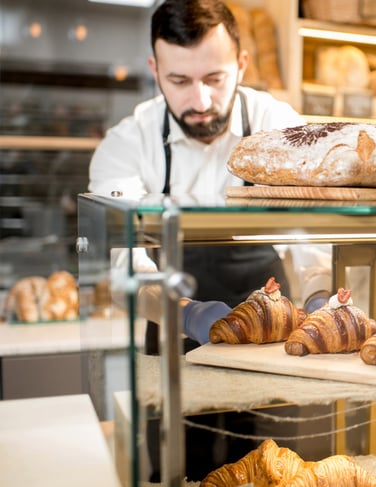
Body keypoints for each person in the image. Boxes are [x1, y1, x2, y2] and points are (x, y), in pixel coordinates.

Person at [88, 0, 329, 481]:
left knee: (270, 461)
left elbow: (312, 230)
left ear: (241, 64)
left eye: (215, 79)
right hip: (173, 325)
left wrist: (321, 299)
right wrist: (187, 313)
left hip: (273, 320)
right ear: (155, 70)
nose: (199, 101)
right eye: (179, 81)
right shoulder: (127, 142)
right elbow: (122, 262)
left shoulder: (282, 127)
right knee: (182, 462)